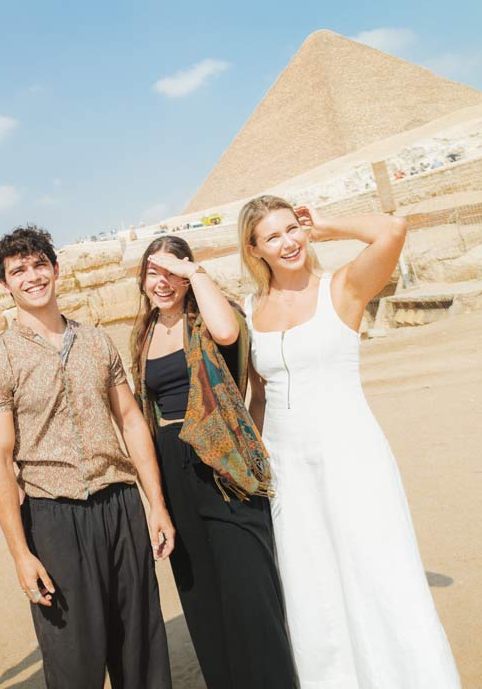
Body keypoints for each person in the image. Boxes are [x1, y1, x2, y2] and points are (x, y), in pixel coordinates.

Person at [238, 195, 459, 688]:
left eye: (292, 229)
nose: (288, 241)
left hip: (349, 453)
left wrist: (328, 225)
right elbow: (259, 395)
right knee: (312, 585)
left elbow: (393, 229)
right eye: (272, 236)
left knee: (378, 571)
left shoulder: (343, 288)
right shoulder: (251, 311)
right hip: (287, 466)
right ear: (254, 250)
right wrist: (256, 459)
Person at [0, 225, 174, 689]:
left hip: (120, 508)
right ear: (4, 286)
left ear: (56, 269)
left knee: (141, 648)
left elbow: (131, 423)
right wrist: (21, 554)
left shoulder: (98, 342)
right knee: (72, 662)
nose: (32, 276)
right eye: (18, 271)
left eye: (39, 264)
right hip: (53, 520)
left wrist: (156, 505)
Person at [130, 235, 298, 689]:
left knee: (250, 598)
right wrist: (156, 501)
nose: (162, 283)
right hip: (172, 463)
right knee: (201, 599)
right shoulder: (142, 333)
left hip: (223, 465)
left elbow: (227, 334)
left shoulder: (208, 317)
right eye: (153, 272)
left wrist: (193, 274)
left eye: (172, 272)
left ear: (189, 274)